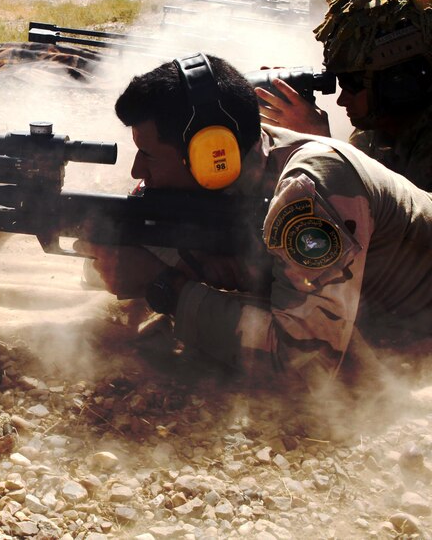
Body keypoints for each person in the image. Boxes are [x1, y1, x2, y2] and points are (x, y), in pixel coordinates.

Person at [75, 53, 432, 388]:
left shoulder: (310, 190)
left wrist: (164, 285)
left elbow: (304, 366)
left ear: (210, 154)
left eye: (149, 155)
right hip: (376, 317)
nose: (138, 170)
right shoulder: (247, 159)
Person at [257, 0, 432, 189]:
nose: (341, 100)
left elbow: (391, 215)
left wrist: (320, 142)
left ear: (397, 83)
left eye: (353, 84)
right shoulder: (375, 130)